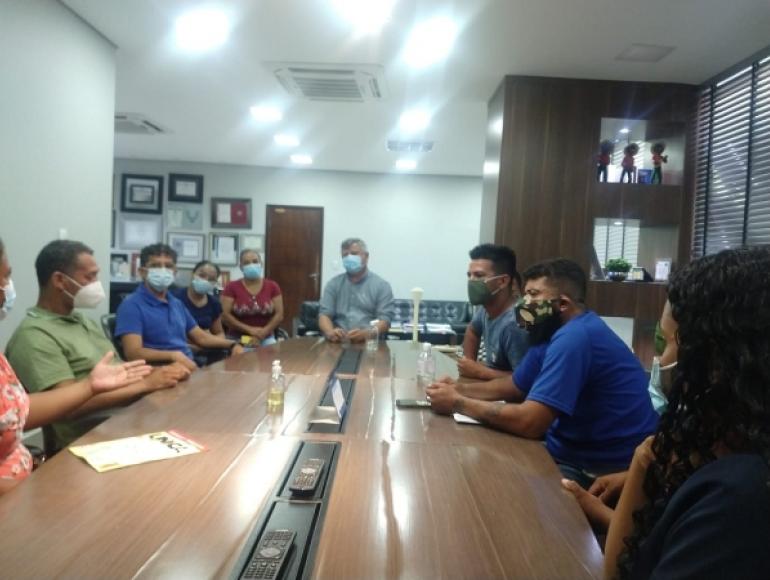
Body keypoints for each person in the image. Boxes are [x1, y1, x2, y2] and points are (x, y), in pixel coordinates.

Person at [603, 247, 770, 579]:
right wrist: (645, 460)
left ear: (718, 360)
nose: (658, 361)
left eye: (663, 344)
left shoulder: (738, 495)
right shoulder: (711, 450)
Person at [427, 258, 658, 488]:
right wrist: (459, 389)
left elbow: (531, 422)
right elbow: (514, 386)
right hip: (567, 449)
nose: (524, 304)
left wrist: (458, 403)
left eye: (534, 295)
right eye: (525, 295)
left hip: (602, 469)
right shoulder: (550, 333)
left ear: (563, 304)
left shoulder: (576, 337)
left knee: (492, 484)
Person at [4, 240, 186, 457]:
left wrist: (159, 373)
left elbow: (119, 373)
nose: (96, 284)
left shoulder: (82, 320)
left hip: (131, 418)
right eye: (89, 277)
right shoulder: (34, 335)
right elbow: (67, 407)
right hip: (90, 442)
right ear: (60, 280)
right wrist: (146, 384)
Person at [561, 300, 681, 532]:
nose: (660, 360)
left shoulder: (577, 337)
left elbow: (640, 546)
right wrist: (628, 477)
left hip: (596, 465)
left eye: (665, 342)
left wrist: (596, 510)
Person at [115, 243, 243, 369]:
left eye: (168, 266)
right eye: (155, 265)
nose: (163, 270)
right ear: (142, 272)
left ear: (175, 272)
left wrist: (233, 344)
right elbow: (133, 353)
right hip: (159, 372)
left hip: (188, 366)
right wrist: (173, 355)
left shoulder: (176, 303)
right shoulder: (131, 305)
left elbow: (201, 338)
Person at [458, 244, 529, 380]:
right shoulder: (486, 307)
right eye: (469, 275)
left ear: (502, 281)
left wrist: (479, 372)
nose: (471, 281)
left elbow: (525, 380)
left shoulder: (516, 322)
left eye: (479, 275)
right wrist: (469, 363)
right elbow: (472, 330)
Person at [318, 238, 394, 343]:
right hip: (338, 342)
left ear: (366, 256)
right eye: (345, 255)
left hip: (370, 344)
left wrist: (368, 333)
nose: (349, 258)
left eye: (354, 254)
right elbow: (324, 315)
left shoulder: (382, 286)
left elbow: (385, 321)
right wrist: (330, 332)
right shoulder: (333, 284)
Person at [220, 249, 283, 346]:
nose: (251, 265)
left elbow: (279, 315)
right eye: (246, 263)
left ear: (261, 264)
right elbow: (225, 316)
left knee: (274, 354)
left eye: (255, 261)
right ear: (241, 267)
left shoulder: (273, 286)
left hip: (265, 337)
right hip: (238, 338)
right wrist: (250, 330)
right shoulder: (231, 287)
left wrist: (262, 333)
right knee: (243, 353)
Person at [172, 260, 225, 338]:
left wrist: (209, 339)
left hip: (206, 344)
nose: (205, 280)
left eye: (211, 279)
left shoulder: (214, 303)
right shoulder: (174, 297)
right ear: (192, 274)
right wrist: (203, 336)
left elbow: (219, 333)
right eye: (202, 275)